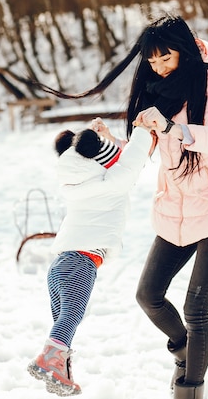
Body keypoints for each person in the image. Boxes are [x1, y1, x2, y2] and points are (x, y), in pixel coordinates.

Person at [28, 14, 208, 399]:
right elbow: (142, 152)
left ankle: (189, 388)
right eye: (151, 62)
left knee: (196, 309)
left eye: (165, 58)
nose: (158, 67)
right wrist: (110, 145)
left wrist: (171, 127)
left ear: (184, 50)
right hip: (177, 211)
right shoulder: (158, 91)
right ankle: (186, 349)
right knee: (148, 295)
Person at [27, 122, 152, 396]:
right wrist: (143, 130)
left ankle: (62, 375)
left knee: (64, 324)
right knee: (72, 316)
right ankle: (48, 359)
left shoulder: (74, 184)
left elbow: (112, 159)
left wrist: (103, 137)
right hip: (81, 262)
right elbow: (131, 161)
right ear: (97, 159)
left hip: (59, 264)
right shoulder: (111, 184)